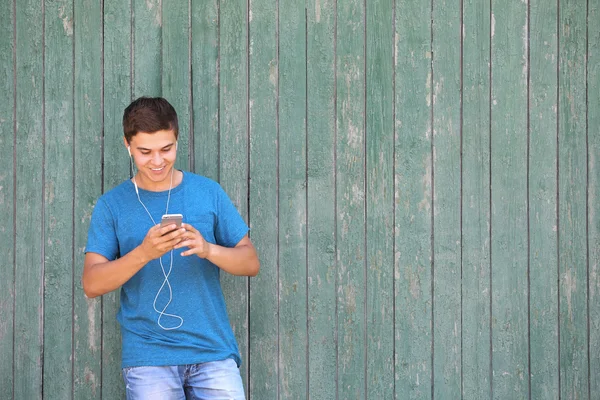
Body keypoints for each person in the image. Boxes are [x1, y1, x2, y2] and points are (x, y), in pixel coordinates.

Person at [82, 97, 259, 400]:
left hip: (213, 351)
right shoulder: (111, 205)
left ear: (177, 139)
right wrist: (144, 253)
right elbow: (91, 284)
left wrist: (207, 249)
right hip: (149, 356)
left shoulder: (208, 192)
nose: (157, 161)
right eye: (144, 152)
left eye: (166, 149)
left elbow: (250, 262)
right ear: (127, 144)